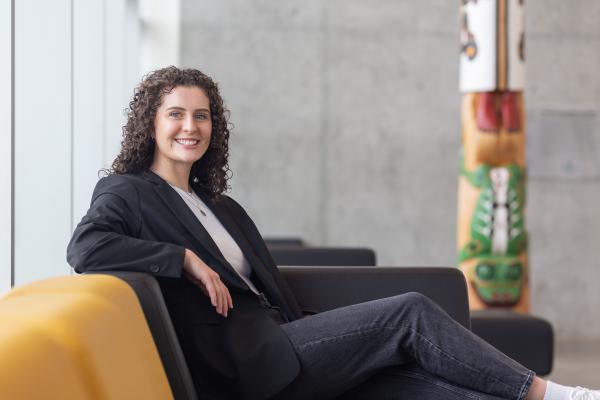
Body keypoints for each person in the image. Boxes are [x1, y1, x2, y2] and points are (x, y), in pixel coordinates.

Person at [67, 66, 598, 400]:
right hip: (245, 365)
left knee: (429, 388)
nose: (191, 127)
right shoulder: (128, 191)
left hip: (285, 340)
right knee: (409, 310)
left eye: (202, 116)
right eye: (176, 114)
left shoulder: (218, 205)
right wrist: (182, 258)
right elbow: (85, 248)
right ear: (151, 124)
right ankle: (546, 392)